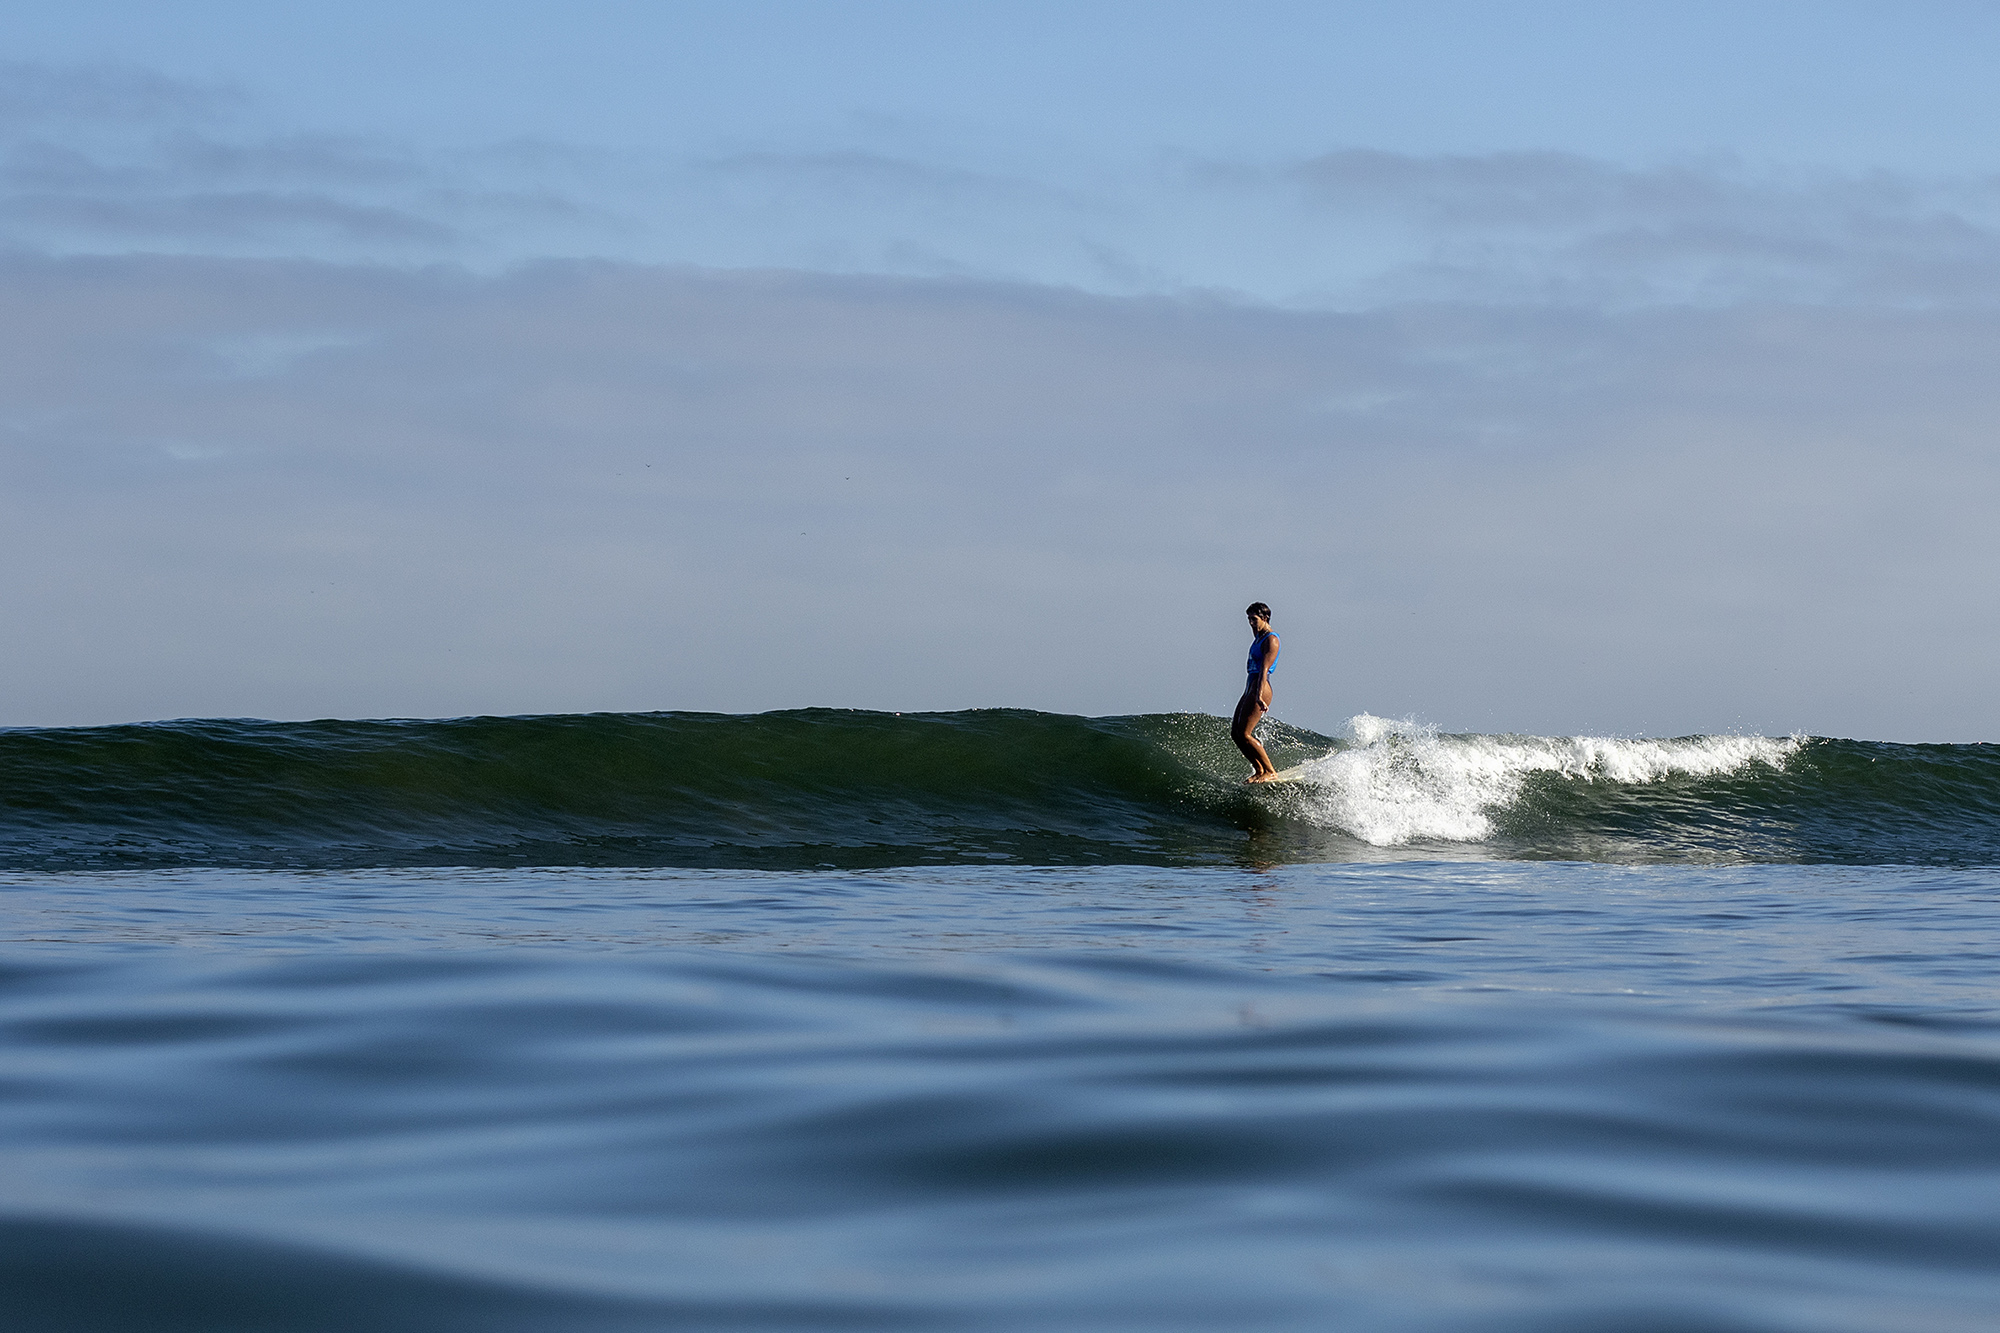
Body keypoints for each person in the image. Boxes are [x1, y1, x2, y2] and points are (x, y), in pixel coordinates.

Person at [1233, 602, 1280, 782]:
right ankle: (1259, 770)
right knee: (1236, 733)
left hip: (1261, 686)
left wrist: (1259, 696)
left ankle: (1270, 771)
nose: (1251, 623)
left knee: (1245, 733)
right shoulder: (1259, 636)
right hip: (1250, 685)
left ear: (1265, 618)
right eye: (1249, 619)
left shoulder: (1271, 640)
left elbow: (1264, 670)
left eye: (1254, 619)